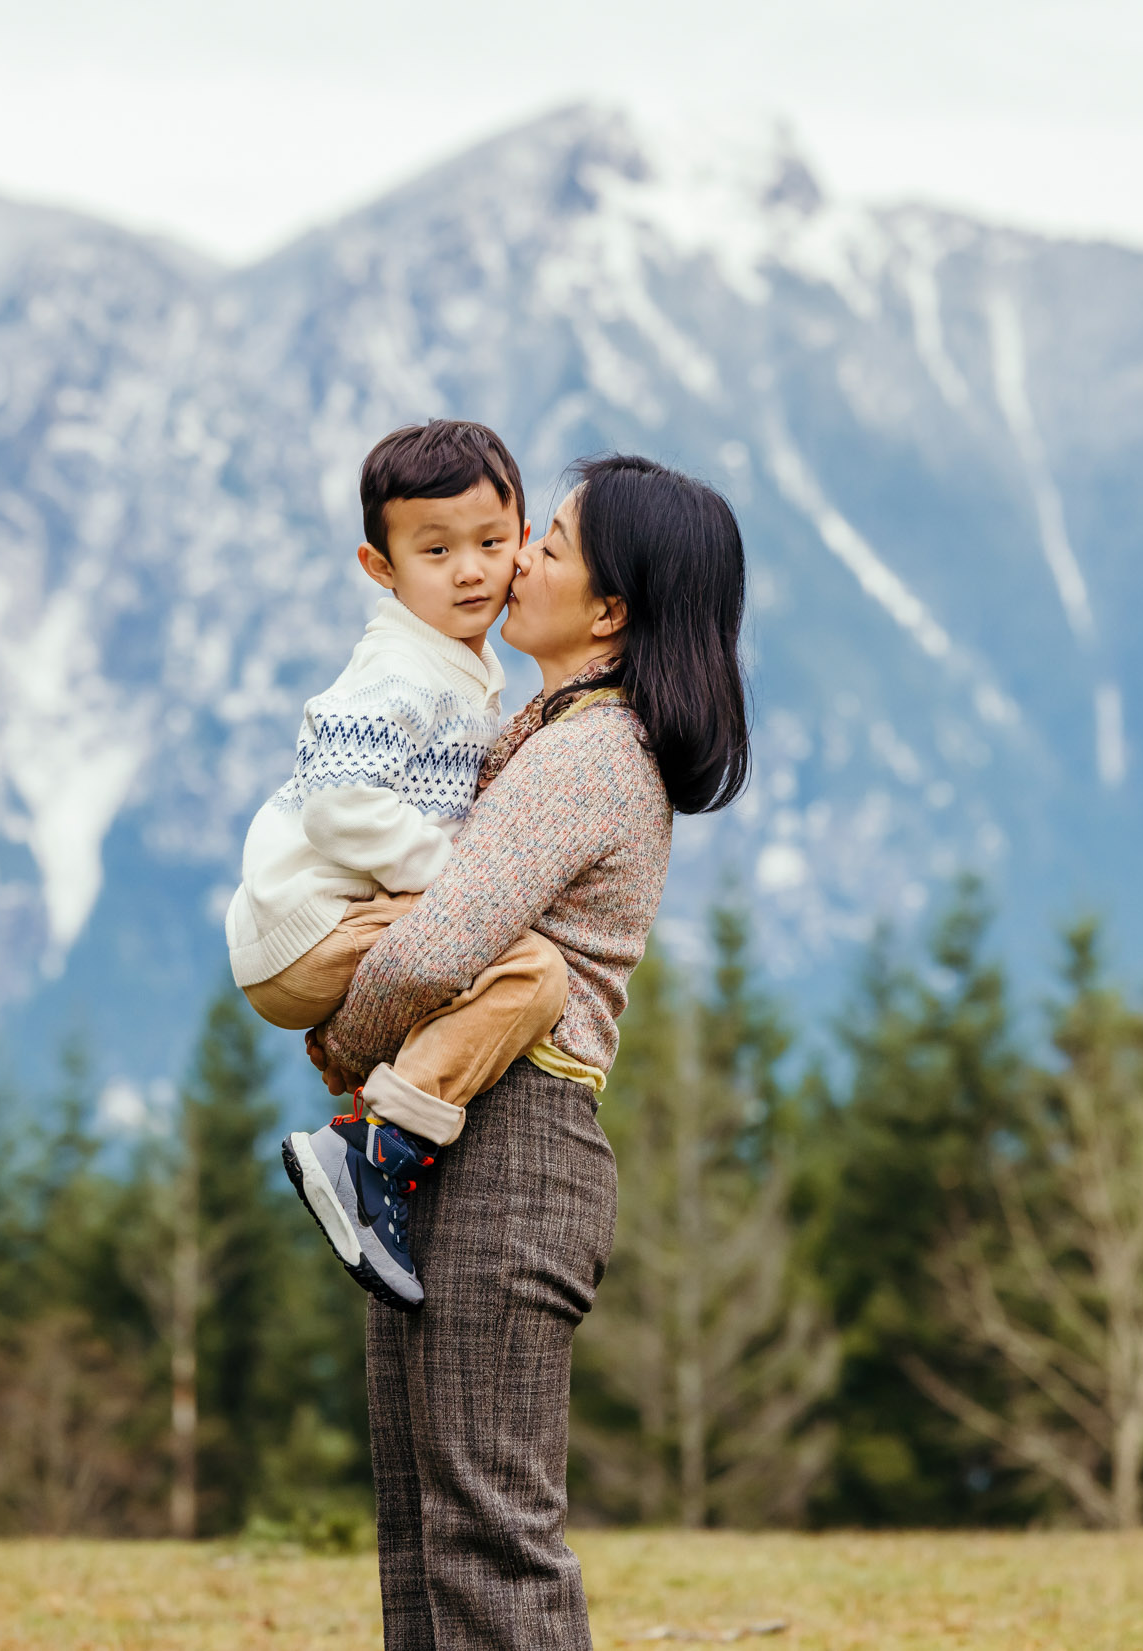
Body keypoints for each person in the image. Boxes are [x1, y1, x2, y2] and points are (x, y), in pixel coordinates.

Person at [319, 453, 751, 1650]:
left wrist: (337, 1042)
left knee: (488, 1535)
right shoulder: (549, 731)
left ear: (609, 610)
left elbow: (431, 948)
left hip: (511, 1146)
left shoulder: (586, 755)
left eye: (547, 546)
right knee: (426, 1536)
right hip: (456, 1136)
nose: (515, 561)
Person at [228, 418, 575, 1312]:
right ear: (379, 567)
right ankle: (372, 1151)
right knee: (530, 966)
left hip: (316, 924)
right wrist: (448, 876)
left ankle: (388, 1126)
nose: (470, 569)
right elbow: (340, 808)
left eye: (492, 542)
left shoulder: (458, 660)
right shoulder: (397, 668)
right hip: (311, 928)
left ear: (523, 539)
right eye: (436, 549)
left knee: (505, 956)